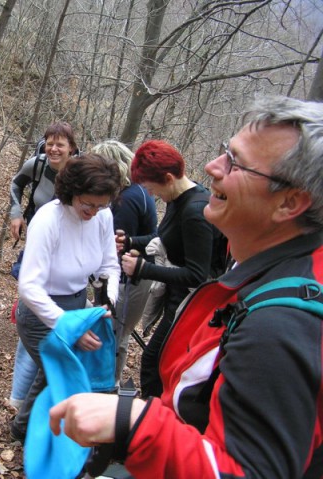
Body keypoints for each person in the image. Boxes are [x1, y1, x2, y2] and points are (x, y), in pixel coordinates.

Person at [49, 96, 323, 478]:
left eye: (236, 163)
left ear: (289, 203)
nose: (213, 166)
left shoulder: (281, 326)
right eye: (224, 152)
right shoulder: (268, 272)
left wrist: (135, 423)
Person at [10, 152, 122, 442]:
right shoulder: (49, 220)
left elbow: (109, 265)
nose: (94, 211)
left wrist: (107, 301)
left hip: (77, 305)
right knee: (63, 370)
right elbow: (30, 287)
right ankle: (42, 435)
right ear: (72, 192)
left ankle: (23, 428)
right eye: (88, 203)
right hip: (40, 313)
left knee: (52, 372)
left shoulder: (102, 216)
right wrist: (68, 328)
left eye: (101, 205)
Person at [118, 140, 215, 398]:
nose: (151, 194)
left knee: (154, 361)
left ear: (169, 178)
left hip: (190, 303)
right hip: (176, 297)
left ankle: (155, 419)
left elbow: (196, 274)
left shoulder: (195, 211)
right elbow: (165, 238)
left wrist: (141, 269)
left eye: (152, 188)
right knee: (156, 360)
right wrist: (129, 241)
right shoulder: (178, 199)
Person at [8, 122, 79, 409]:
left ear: (71, 148)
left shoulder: (79, 173)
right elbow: (15, 184)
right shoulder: (36, 165)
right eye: (49, 142)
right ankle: (21, 396)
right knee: (33, 315)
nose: (53, 148)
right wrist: (16, 213)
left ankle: (38, 390)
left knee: (53, 319)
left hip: (67, 254)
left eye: (60, 144)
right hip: (38, 249)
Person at [90, 140, 157, 384]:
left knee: (114, 335)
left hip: (127, 282)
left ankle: (107, 385)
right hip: (137, 280)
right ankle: (110, 384)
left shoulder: (125, 201)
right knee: (120, 334)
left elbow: (114, 251)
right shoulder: (138, 192)